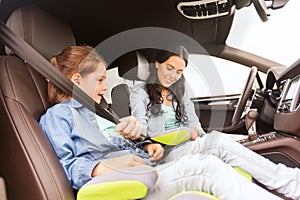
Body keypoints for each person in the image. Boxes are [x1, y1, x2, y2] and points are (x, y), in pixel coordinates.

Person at [39, 45, 293, 200]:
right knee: (207, 167)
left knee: (213, 148)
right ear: (75, 80)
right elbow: (70, 167)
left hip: (146, 164)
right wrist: (107, 166)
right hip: (129, 182)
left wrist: (146, 144)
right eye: (101, 80)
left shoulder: (99, 112)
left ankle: (292, 182)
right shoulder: (59, 115)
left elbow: (126, 145)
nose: (106, 87)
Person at [130, 45, 300, 200]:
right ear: (158, 64)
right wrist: (188, 133)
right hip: (166, 150)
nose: (173, 76)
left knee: (229, 140)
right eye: (170, 68)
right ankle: (291, 184)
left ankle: (286, 179)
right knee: (218, 143)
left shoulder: (179, 91)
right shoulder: (140, 93)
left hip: (188, 143)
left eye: (179, 72)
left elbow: (194, 122)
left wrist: (197, 134)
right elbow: (143, 133)